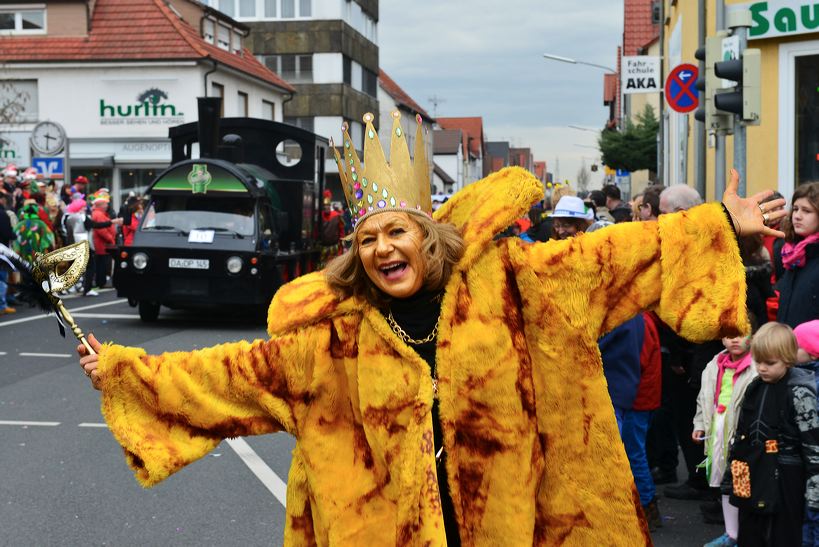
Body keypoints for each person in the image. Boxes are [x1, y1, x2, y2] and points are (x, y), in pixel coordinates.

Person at [76, 113, 784, 545]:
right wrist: (125, 369)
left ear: (428, 238)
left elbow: (612, 257)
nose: (382, 249)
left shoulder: (514, 283)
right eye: (367, 240)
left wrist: (718, 225)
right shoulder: (334, 339)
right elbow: (228, 377)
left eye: (396, 232)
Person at [725, 322, 819, 546]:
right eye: (758, 361)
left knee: (782, 536)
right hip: (752, 470)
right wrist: (733, 480)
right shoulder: (754, 387)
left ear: (788, 359)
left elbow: (813, 445)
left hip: (786, 477)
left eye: (770, 363)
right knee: (749, 534)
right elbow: (741, 437)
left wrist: (814, 493)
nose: (762, 368)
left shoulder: (799, 392)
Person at [693, 332, 758, 547]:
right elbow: (704, 397)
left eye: (741, 334)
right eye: (729, 335)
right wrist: (700, 424)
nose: (735, 340)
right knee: (723, 482)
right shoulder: (714, 365)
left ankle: (744, 534)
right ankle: (731, 534)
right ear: (722, 339)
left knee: (740, 483)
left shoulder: (756, 366)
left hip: (740, 435)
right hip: (718, 432)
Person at [774, 182, 819, 328]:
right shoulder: (791, 254)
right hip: (787, 346)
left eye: (806, 211)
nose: (797, 216)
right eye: (795, 209)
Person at [91, 196, 115, 290]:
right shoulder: (99, 214)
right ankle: (101, 282)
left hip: (102, 243)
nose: (107, 206)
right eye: (105, 204)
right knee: (102, 264)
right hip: (102, 243)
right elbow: (101, 230)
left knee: (101, 263)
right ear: (100, 205)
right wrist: (110, 239)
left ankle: (101, 282)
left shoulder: (99, 213)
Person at [0, 189, 15, 315]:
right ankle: (2, 305)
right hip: (2, 250)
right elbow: (7, 233)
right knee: (2, 278)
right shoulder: (3, 214)